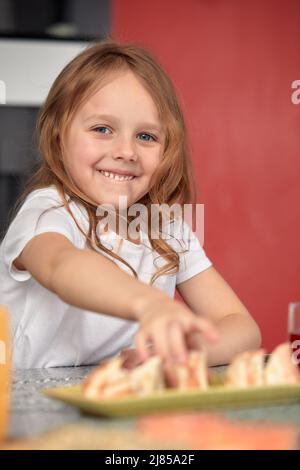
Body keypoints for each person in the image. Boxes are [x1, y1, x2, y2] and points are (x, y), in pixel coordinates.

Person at [0, 40, 261, 369]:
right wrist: (148, 304)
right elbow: (62, 267)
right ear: (57, 137)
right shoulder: (49, 211)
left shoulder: (165, 228)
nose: (126, 151)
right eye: (102, 129)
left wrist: (182, 354)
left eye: (146, 136)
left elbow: (240, 325)